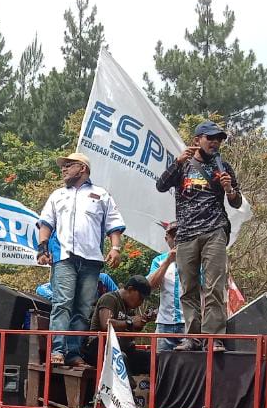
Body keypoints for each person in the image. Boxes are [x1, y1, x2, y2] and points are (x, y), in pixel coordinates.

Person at [154, 120, 242, 350]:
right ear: (197, 140)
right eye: (210, 138)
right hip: (186, 234)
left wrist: (229, 189)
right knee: (188, 288)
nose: (215, 142)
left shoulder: (223, 166)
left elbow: (237, 202)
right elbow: (161, 186)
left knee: (214, 286)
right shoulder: (182, 165)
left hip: (215, 230)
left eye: (219, 139)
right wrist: (177, 162)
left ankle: (213, 338)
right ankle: (192, 338)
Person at [35, 151, 126, 367]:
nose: (64, 169)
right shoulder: (57, 195)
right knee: (62, 303)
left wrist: (115, 248)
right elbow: (46, 223)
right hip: (64, 257)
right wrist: (42, 248)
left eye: (69, 165)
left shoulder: (101, 194)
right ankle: (57, 350)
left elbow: (113, 223)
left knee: (84, 308)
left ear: (82, 168)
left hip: (91, 260)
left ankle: (73, 353)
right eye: (63, 165)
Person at [85, 275, 153, 375]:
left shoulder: (129, 308)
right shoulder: (110, 298)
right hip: (99, 348)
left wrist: (141, 323)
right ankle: (129, 385)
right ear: (130, 289)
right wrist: (130, 322)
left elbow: (130, 334)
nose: (141, 302)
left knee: (152, 358)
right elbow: (106, 325)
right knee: (121, 357)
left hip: (121, 348)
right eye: (140, 298)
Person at [147, 223, 187, 351]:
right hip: (164, 323)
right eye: (173, 236)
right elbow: (150, 286)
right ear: (166, 239)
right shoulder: (158, 260)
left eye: (180, 235)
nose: (176, 239)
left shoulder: (196, 260)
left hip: (189, 324)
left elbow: (204, 289)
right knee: (160, 361)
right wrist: (168, 261)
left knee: (191, 362)